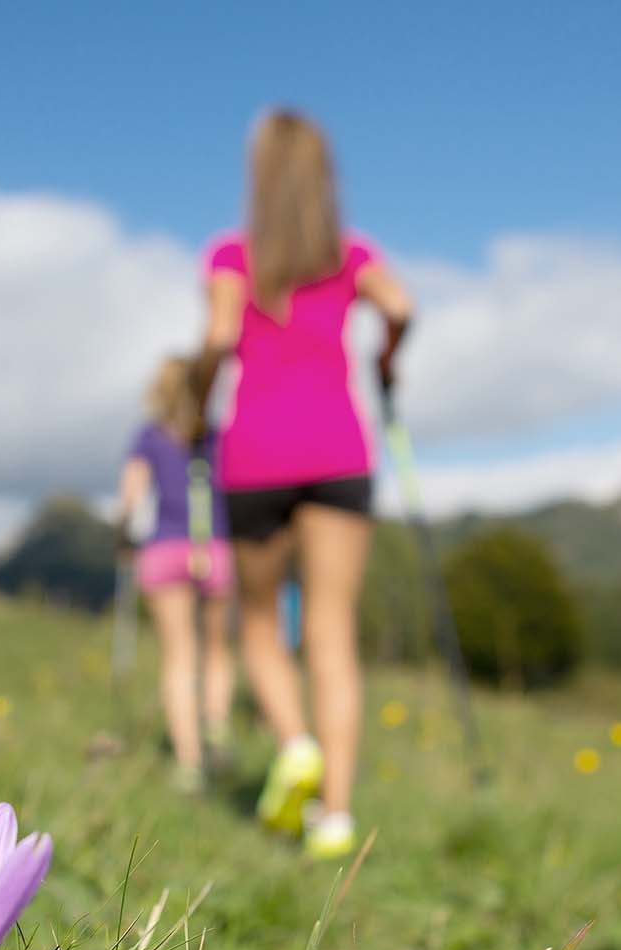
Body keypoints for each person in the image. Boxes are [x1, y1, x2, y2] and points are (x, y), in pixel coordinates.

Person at [194, 109, 413, 858]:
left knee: (259, 623)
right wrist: (388, 358)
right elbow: (402, 306)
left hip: (255, 454)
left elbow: (222, 339)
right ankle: (336, 816)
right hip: (338, 451)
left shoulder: (231, 256)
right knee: (332, 633)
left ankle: (294, 746)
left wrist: (194, 399)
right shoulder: (350, 256)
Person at [115, 355, 235, 794]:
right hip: (215, 547)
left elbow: (130, 496)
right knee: (218, 648)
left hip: (165, 549)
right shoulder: (215, 437)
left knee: (179, 657)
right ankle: (217, 724)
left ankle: (189, 761)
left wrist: (124, 530)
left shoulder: (147, 437)